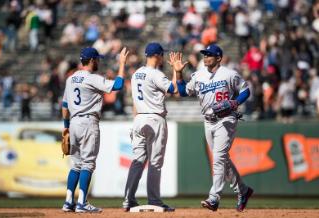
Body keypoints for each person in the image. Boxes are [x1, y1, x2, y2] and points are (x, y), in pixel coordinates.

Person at [174, 44, 253, 212]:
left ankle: (214, 198)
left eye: (210, 54)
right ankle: (243, 190)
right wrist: (179, 73)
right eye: (204, 54)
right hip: (208, 121)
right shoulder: (198, 75)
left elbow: (246, 91)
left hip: (226, 119)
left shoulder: (230, 74)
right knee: (221, 160)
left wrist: (235, 102)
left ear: (218, 58)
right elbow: (182, 92)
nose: (206, 57)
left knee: (218, 159)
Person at [61, 46, 129, 213]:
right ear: (91, 60)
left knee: (76, 165)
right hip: (88, 123)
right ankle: (82, 203)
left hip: (74, 122)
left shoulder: (71, 79)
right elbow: (118, 85)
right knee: (88, 164)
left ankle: (68, 201)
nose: (99, 61)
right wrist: (122, 64)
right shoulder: (92, 78)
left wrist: (65, 127)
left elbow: (64, 105)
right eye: (97, 59)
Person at [122, 42, 178, 212]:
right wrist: (176, 70)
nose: (162, 58)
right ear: (158, 55)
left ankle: (128, 199)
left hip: (139, 118)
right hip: (154, 118)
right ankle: (154, 200)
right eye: (162, 55)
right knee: (155, 163)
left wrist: (135, 121)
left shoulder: (136, 74)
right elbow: (174, 89)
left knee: (137, 161)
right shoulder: (155, 74)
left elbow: (134, 102)